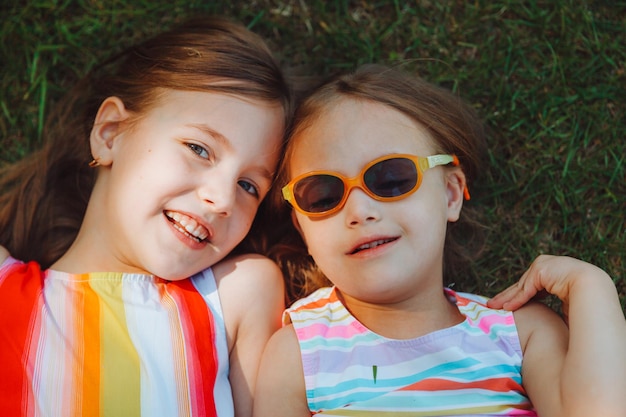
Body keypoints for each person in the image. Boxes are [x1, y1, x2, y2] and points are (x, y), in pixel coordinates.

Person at [253, 64, 626, 417]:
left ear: (450, 194)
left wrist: (589, 286)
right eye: (322, 196)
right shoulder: (299, 353)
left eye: (391, 179)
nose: (360, 211)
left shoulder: (521, 334)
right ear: (303, 229)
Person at [0, 16, 293, 417]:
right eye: (199, 148)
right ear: (111, 133)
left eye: (249, 186)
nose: (223, 199)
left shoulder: (238, 296)